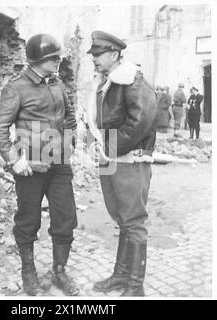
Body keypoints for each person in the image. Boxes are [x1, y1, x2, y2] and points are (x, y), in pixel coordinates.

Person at [0, 34, 79, 296]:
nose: (58, 60)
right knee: (28, 221)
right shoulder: (16, 88)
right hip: (31, 167)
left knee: (66, 219)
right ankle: (28, 272)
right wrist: (15, 160)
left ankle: (59, 271)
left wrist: (70, 143)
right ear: (38, 60)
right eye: (53, 57)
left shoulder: (58, 84)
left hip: (59, 164)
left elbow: (70, 118)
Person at [86, 31, 157, 296]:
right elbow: (102, 123)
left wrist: (108, 148)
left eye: (98, 54)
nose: (94, 59)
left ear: (115, 55)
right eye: (93, 54)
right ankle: (121, 275)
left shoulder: (132, 81)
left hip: (130, 160)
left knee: (134, 221)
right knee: (123, 220)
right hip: (111, 160)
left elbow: (141, 122)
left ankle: (135, 286)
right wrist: (98, 147)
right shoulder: (106, 82)